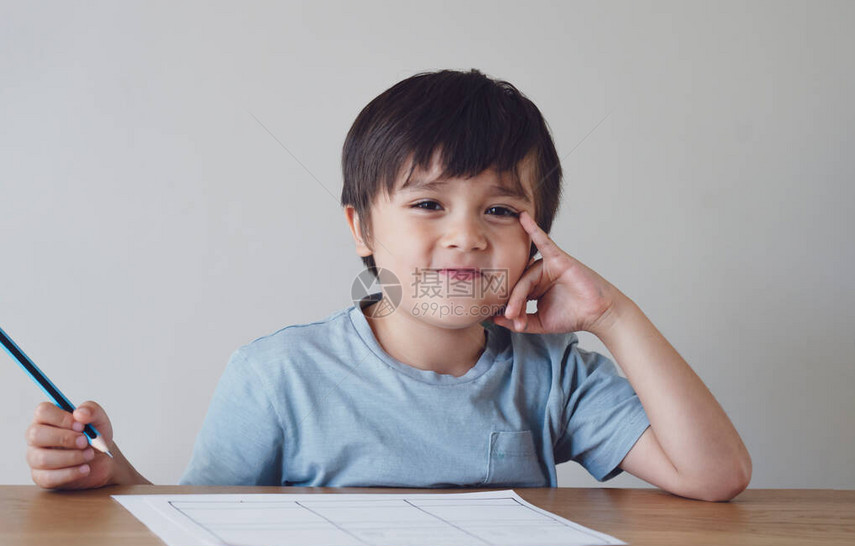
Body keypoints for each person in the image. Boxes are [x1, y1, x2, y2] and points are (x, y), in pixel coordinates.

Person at [25, 69, 751, 501]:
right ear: (362, 229)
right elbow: (201, 521)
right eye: (429, 204)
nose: (466, 235)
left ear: (539, 236)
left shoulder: (554, 375)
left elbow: (715, 475)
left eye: (501, 210)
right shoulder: (277, 376)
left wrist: (614, 316)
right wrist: (112, 475)